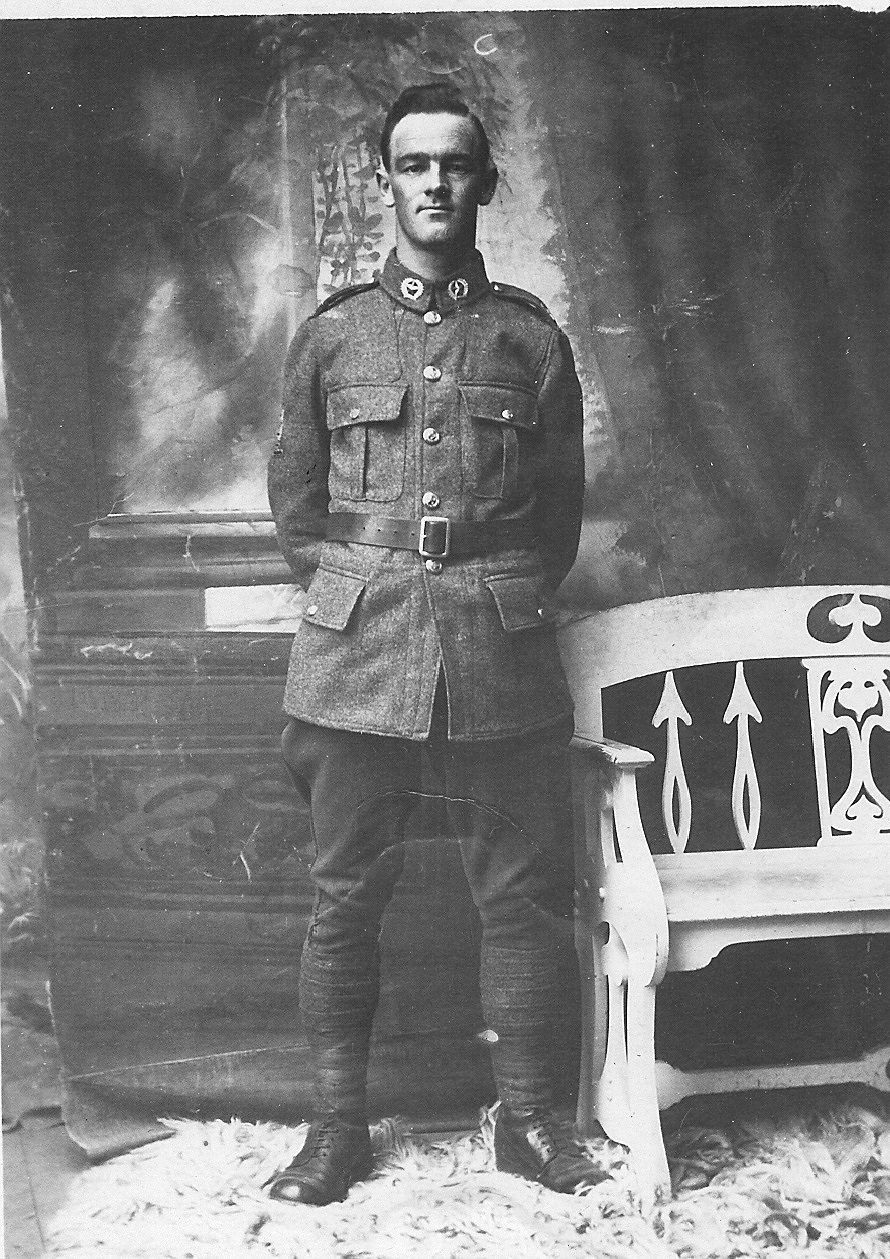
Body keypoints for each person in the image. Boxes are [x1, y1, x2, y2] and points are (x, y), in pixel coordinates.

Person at [266, 83, 607, 1205]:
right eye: (414, 165)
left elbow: (556, 521)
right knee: (342, 901)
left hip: (497, 652)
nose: (435, 184)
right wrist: (361, 590)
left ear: (486, 182)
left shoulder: (527, 338)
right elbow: (297, 508)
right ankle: (334, 1131)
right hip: (355, 658)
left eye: (455, 164)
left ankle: (531, 1123)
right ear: (386, 183)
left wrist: (484, 589)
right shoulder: (330, 338)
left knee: (521, 895)